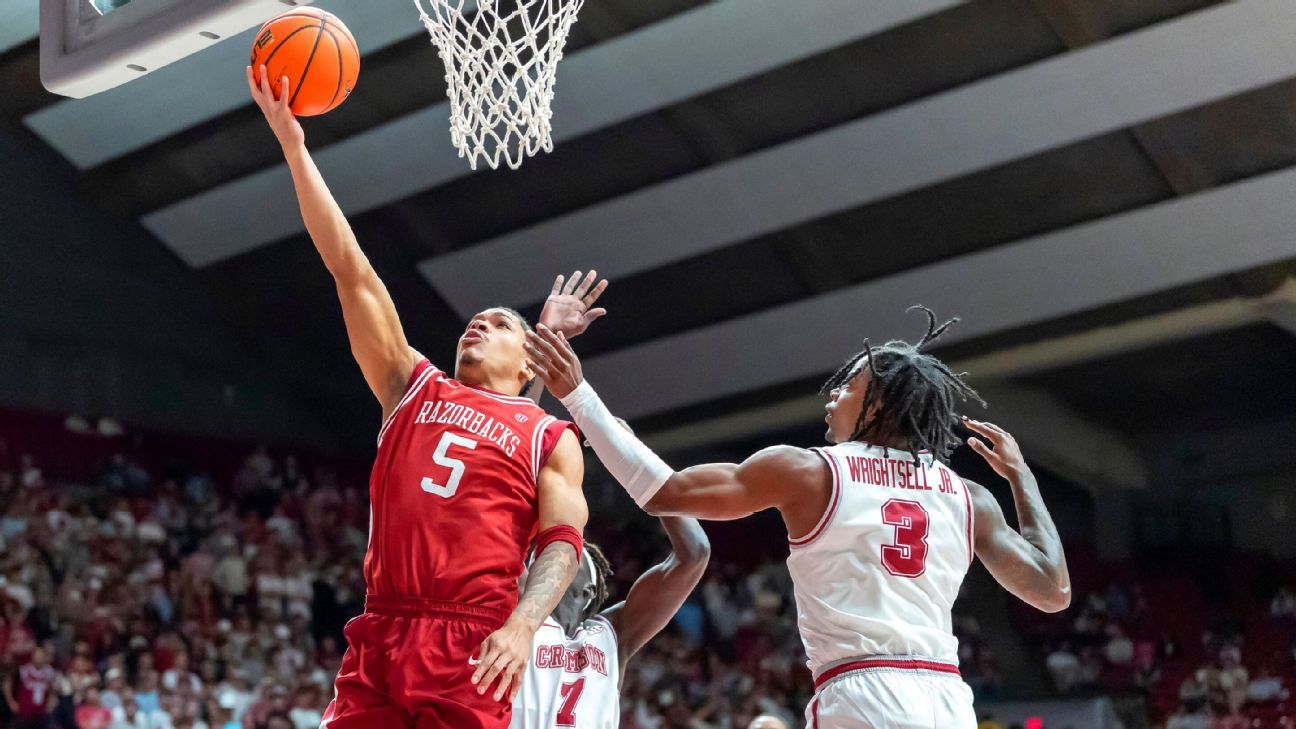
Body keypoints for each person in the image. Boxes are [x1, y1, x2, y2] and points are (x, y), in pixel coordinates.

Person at [248, 66, 608, 728]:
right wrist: (295, 148)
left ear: (526, 355)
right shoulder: (410, 386)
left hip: (471, 639)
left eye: (499, 324)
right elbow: (350, 270)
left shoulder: (548, 436)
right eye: (475, 320)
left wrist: (524, 625)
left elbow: (563, 541)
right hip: (383, 627)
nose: (478, 325)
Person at [524, 307, 1071, 729]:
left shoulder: (810, 472)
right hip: (948, 700)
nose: (832, 395)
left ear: (879, 402)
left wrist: (579, 396)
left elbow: (664, 492)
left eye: (849, 384)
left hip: (863, 692)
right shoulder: (970, 497)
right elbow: (1052, 591)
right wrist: (1021, 476)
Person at [511, 514, 710, 728]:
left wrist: (652, 494)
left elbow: (695, 555)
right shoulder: (515, 618)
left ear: (588, 590)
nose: (555, 557)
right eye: (544, 557)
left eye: (568, 550)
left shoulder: (611, 634)